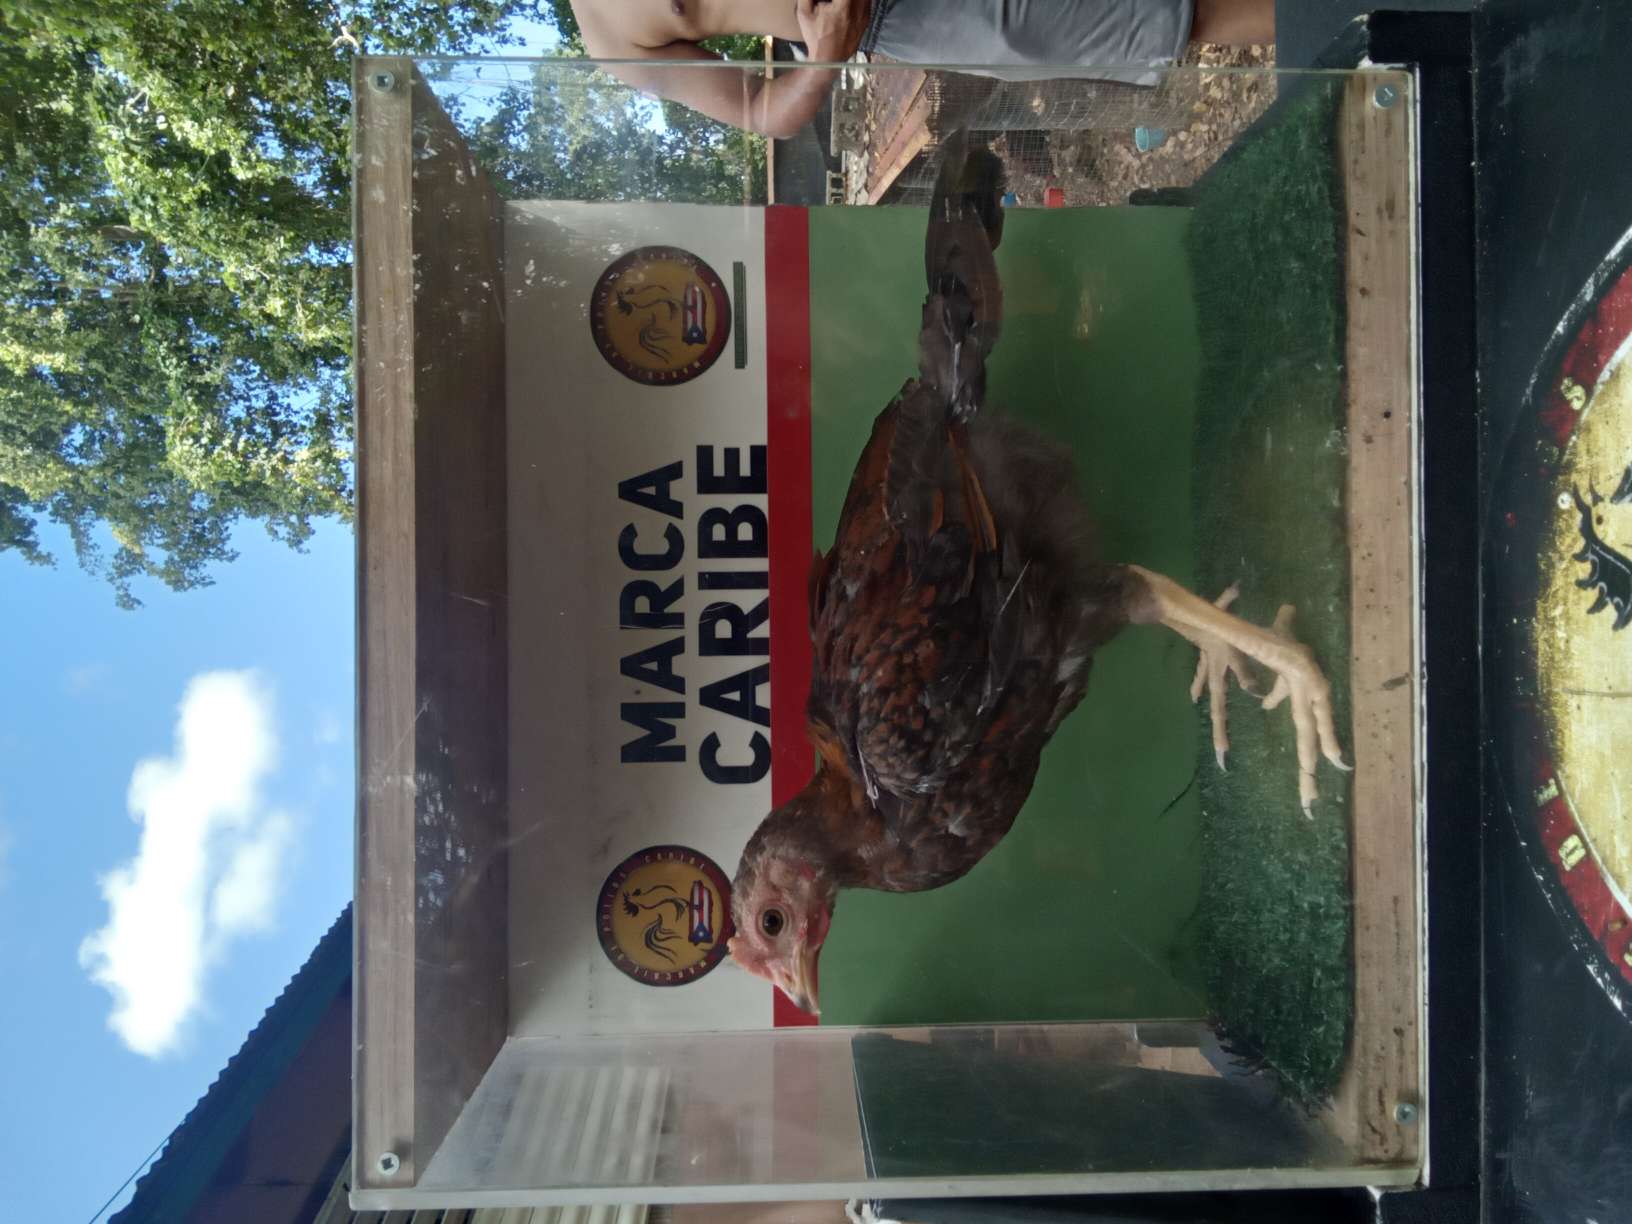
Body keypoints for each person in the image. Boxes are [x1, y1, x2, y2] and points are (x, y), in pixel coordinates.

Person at [574, 0, 1275, 139]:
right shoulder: (610, 39)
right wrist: (826, 56)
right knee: (1168, 16)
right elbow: (763, 113)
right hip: (898, 16)